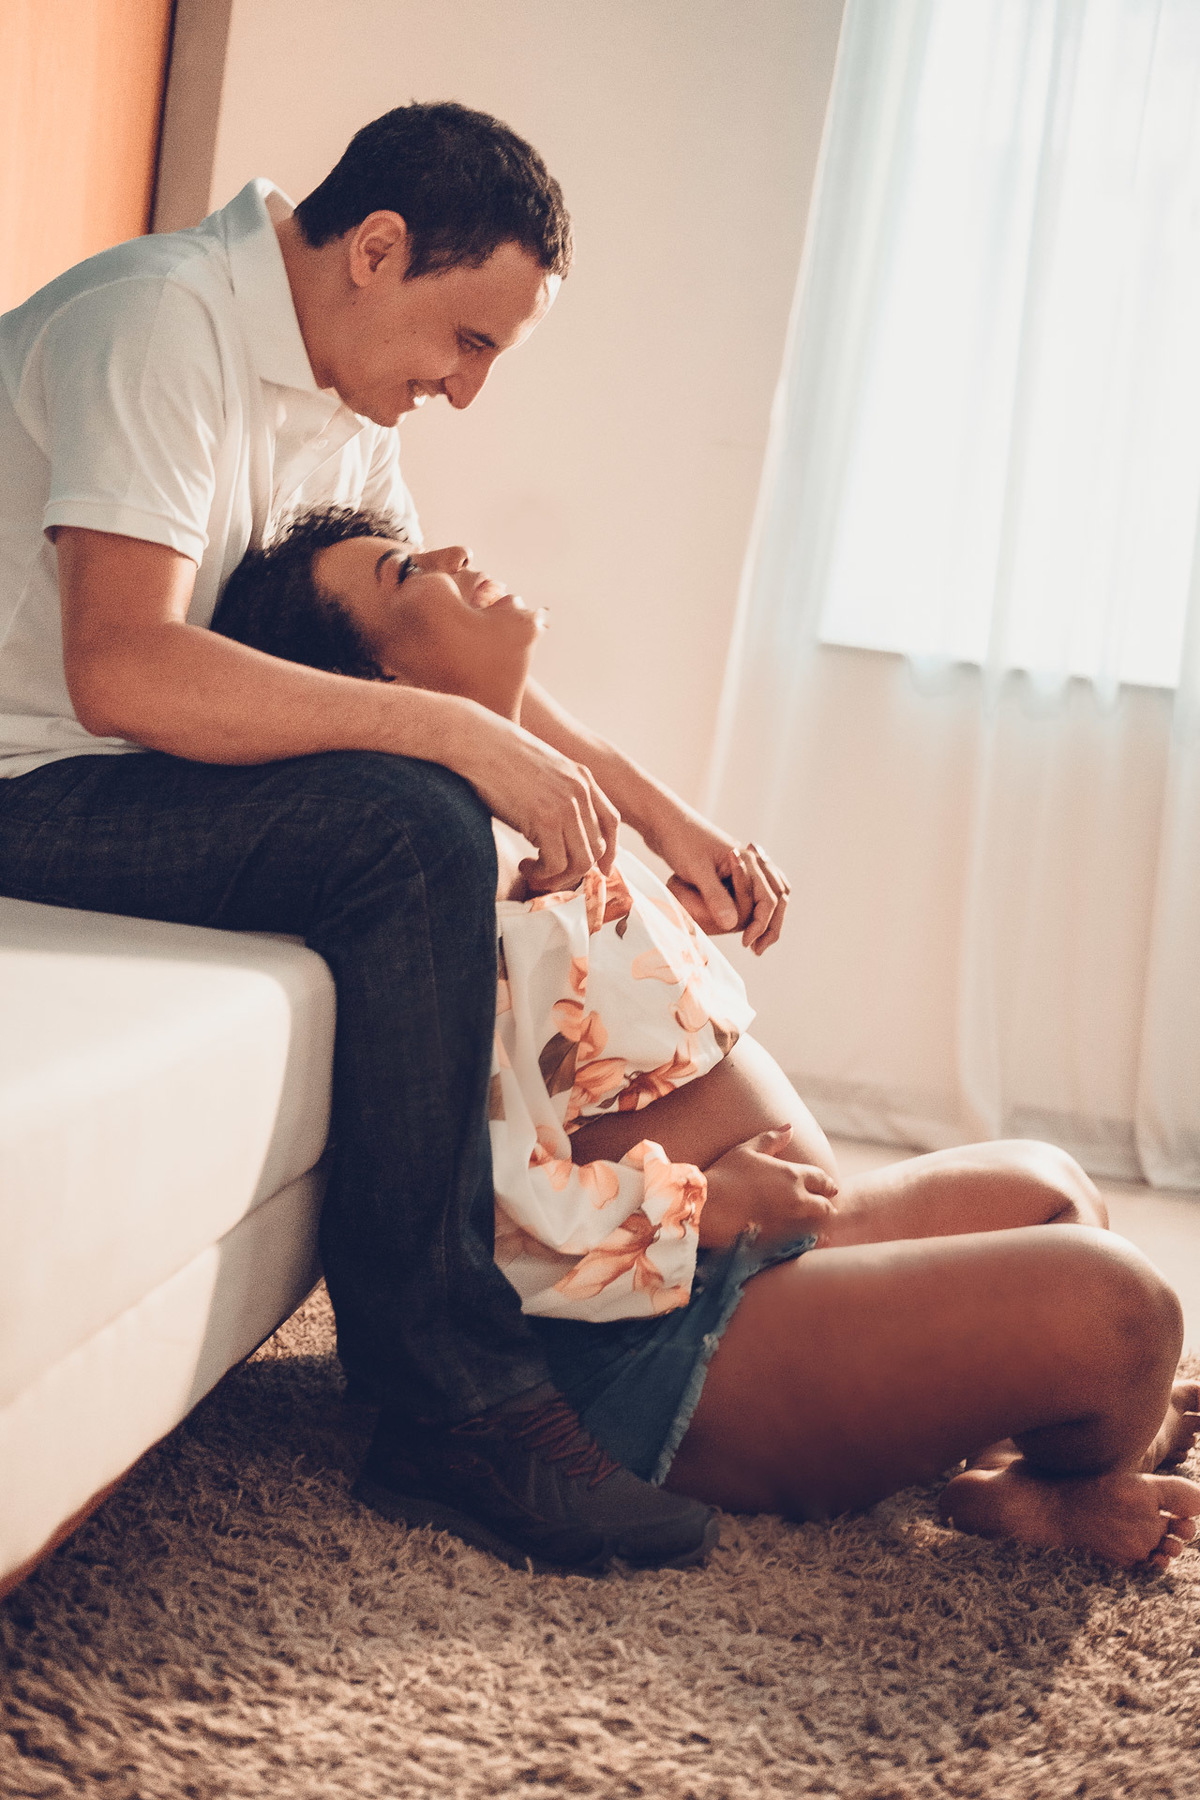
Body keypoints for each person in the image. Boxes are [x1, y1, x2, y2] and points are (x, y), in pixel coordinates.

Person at [0, 101, 801, 1575]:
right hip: (25, 782)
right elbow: (122, 666)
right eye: (471, 340)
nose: (467, 389)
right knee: (410, 820)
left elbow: (455, 669)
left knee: (438, 788)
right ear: (376, 250)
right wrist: (460, 742)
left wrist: (650, 805)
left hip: (113, 767)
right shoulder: (156, 326)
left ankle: (500, 1322)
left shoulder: (339, 402)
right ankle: (449, 1398)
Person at [212, 507, 1200, 1573]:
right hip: (667, 1343)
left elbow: (641, 1045)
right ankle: (1043, 1497)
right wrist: (707, 1207)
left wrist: (666, 894)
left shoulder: (539, 821)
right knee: (1122, 1312)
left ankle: (1023, 1455)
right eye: (408, 575)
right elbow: (478, 1211)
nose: (454, 557)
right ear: (383, 696)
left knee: (1055, 1186)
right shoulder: (430, 886)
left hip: (774, 1255)